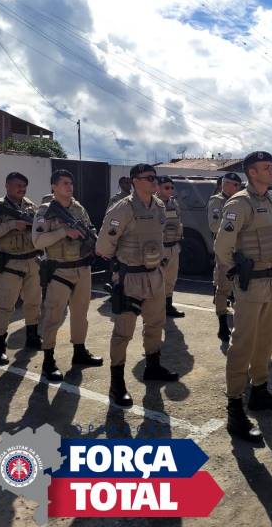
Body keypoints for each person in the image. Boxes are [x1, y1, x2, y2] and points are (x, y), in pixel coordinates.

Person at [215, 151, 272, 443]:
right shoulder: (240, 203)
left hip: (270, 281)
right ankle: (234, 407)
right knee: (242, 345)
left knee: (265, 340)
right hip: (250, 284)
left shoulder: (268, 201)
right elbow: (223, 247)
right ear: (252, 173)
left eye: (271, 166)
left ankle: (259, 391)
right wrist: (236, 272)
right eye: (266, 168)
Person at [96, 164, 178, 409]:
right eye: (149, 178)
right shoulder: (123, 208)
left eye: (155, 177)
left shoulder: (159, 205)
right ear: (135, 181)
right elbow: (103, 247)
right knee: (123, 332)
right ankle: (117, 384)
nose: (154, 182)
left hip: (154, 276)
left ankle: (153, 367)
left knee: (155, 324)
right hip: (130, 278)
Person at [32, 169, 102, 382]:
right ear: (53, 187)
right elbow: (37, 241)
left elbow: (90, 227)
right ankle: (48, 361)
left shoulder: (78, 208)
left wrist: (93, 240)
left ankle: (79, 352)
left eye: (71, 183)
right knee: (53, 315)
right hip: (59, 270)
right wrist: (64, 232)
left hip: (82, 269)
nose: (70, 187)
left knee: (80, 314)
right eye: (64, 183)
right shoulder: (45, 210)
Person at [0, 172, 42, 365]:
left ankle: (32, 337)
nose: (22, 189)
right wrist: (10, 225)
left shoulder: (30, 206)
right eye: (18, 185)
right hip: (10, 264)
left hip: (32, 261)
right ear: (7, 185)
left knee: (33, 302)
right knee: (5, 307)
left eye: (24, 186)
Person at [207, 172, 242, 342]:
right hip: (225, 249)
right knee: (223, 287)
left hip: (240, 248)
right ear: (225, 184)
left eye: (238, 185)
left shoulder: (239, 201)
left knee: (240, 286)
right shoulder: (217, 201)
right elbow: (214, 225)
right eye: (234, 185)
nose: (238, 188)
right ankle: (222, 324)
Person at [156, 175, 184, 318]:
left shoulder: (174, 203)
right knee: (157, 279)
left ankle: (168, 306)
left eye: (172, 187)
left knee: (171, 278)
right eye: (167, 187)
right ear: (158, 188)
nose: (170, 190)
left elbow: (178, 222)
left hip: (173, 246)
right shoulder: (153, 204)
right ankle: (155, 309)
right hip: (159, 248)